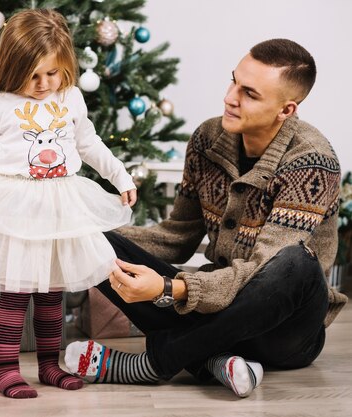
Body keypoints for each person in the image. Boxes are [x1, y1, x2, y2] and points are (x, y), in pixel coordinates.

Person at [64, 38, 349, 398]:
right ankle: (216, 359)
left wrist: (171, 289)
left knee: (295, 263)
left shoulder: (311, 161)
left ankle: (153, 365)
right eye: (233, 81)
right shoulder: (207, 139)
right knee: (92, 239)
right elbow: (177, 236)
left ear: (286, 110)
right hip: (215, 308)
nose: (230, 97)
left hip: (282, 332)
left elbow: (263, 270)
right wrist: (90, 235)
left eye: (249, 93)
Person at [0, 9, 137, 399]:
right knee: (15, 294)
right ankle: (8, 369)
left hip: (62, 204)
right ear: (14, 67)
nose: (44, 83)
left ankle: (50, 364)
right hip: (19, 207)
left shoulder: (72, 98)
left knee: (53, 293)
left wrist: (121, 176)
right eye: (33, 75)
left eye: (52, 73)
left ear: (65, 68)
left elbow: (88, 144)